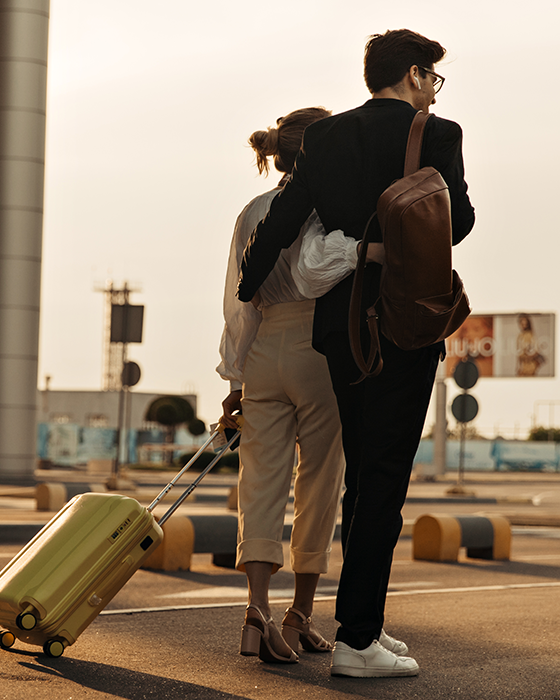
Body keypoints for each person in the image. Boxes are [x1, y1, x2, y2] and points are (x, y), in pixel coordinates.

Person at [237, 29, 475, 678]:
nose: (434, 90)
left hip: (339, 329)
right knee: (383, 480)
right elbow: (458, 222)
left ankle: (362, 627)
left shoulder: (330, 138)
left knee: (363, 474)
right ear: (416, 75)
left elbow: (286, 217)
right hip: (401, 323)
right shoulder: (438, 134)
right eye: (432, 78)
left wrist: (250, 280)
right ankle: (357, 638)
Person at [217, 106, 348, 664]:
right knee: (320, 483)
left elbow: (237, 303)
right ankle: (299, 616)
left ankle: (256, 610)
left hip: (264, 346)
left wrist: (235, 377)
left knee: (260, 483)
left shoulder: (252, 211)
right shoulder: (329, 203)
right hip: (318, 346)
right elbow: (322, 270)